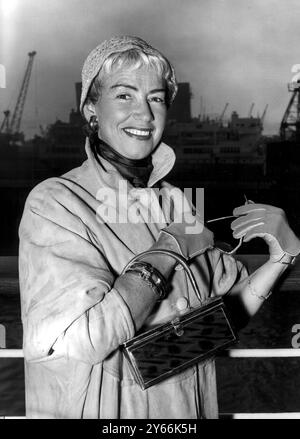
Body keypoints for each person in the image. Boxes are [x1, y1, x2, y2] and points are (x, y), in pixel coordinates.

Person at [18, 35, 300, 419]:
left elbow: (216, 324)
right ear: (90, 110)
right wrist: (170, 248)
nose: (145, 114)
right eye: (124, 95)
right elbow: (82, 342)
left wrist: (282, 257)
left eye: (156, 98)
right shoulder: (55, 203)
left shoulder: (173, 202)